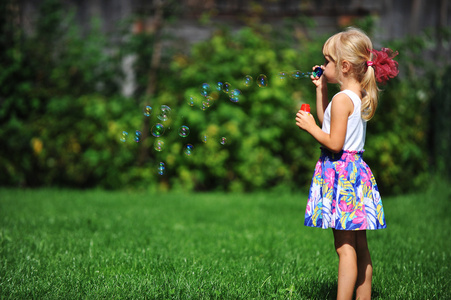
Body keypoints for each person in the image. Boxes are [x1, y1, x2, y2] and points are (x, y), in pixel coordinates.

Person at [295, 28, 399, 300]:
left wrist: (310, 127)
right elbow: (330, 122)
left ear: (343, 66)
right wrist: (321, 91)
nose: (323, 65)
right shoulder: (356, 95)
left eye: (327, 61)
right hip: (355, 173)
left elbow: (333, 142)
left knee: (344, 248)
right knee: (359, 245)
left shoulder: (343, 100)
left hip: (341, 174)